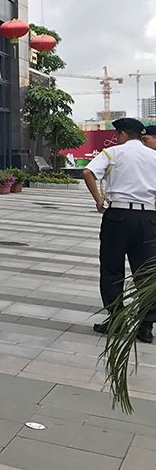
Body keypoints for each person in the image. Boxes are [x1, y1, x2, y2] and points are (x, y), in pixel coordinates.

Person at [83, 117, 156, 343]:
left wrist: (99, 200)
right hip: (148, 218)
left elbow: (87, 172)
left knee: (112, 269)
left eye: (117, 134)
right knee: (147, 271)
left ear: (123, 134)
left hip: (118, 216)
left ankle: (117, 320)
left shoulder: (113, 153)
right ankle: (146, 326)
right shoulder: (153, 155)